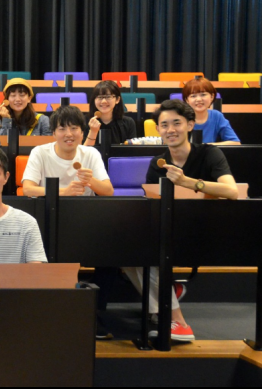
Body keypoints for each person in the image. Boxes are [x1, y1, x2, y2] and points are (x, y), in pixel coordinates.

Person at [123, 100, 238, 343]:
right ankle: (167, 297)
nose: (170, 129)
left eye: (176, 123)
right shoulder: (159, 163)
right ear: (158, 130)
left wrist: (188, 182)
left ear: (190, 125)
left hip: (207, 232)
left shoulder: (210, 153)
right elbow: (152, 201)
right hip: (171, 229)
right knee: (126, 254)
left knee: (150, 254)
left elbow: (232, 191)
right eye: (164, 125)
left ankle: (179, 322)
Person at [22, 105, 114, 197]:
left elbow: (108, 191)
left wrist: (90, 179)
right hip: (49, 208)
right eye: (62, 129)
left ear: (82, 132)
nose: (69, 134)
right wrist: (65, 192)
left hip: (84, 209)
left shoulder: (91, 153)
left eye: (74, 128)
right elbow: (27, 189)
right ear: (53, 133)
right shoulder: (39, 152)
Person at [182, 78, 240, 145]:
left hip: (210, 154)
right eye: (193, 96)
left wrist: (206, 147)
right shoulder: (180, 117)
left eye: (203, 95)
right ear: (187, 100)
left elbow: (235, 142)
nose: (198, 99)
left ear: (212, 97)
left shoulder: (217, 116)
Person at [0, 78, 51, 143]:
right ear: (7, 100)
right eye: (13, 95)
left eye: (22, 95)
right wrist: (6, 120)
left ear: (29, 98)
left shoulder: (42, 120)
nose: (17, 99)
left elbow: (48, 145)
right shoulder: (0, 121)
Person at [83, 80, 137, 146]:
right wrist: (93, 131)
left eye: (108, 97)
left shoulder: (128, 123)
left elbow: (132, 152)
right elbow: (83, 153)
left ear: (117, 99)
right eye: (99, 97)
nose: (103, 101)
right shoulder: (85, 121)